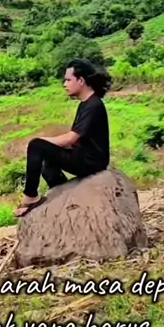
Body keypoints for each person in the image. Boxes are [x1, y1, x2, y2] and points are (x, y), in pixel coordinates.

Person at [14, 58, 112, 217]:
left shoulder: (93, 105)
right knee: (47, 164)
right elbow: (79, 137)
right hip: (84, 156)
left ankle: (30, 196)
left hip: (91, 162)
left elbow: (71, 138)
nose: (64, 84)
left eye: (68, 80)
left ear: (81, 81)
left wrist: (41, 143)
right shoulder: (86, 103)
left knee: (36, 145)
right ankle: (65, 195)